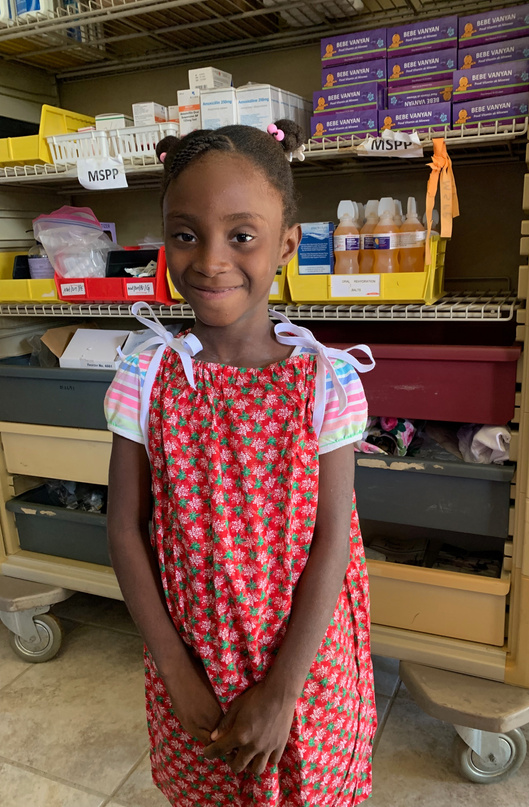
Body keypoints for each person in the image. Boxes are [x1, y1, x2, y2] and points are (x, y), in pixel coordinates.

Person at [104, 119, 377, 807]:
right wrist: (175, 668)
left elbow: (332, 538)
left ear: (286, 244)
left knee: (311, 788)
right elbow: (123, 530)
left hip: (305, 665)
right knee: (209, 787)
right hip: (194, 655)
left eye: (241, 235)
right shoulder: (146, 375)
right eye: (185, 233)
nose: (209, 260)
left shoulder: (327, 379)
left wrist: (283, 689)